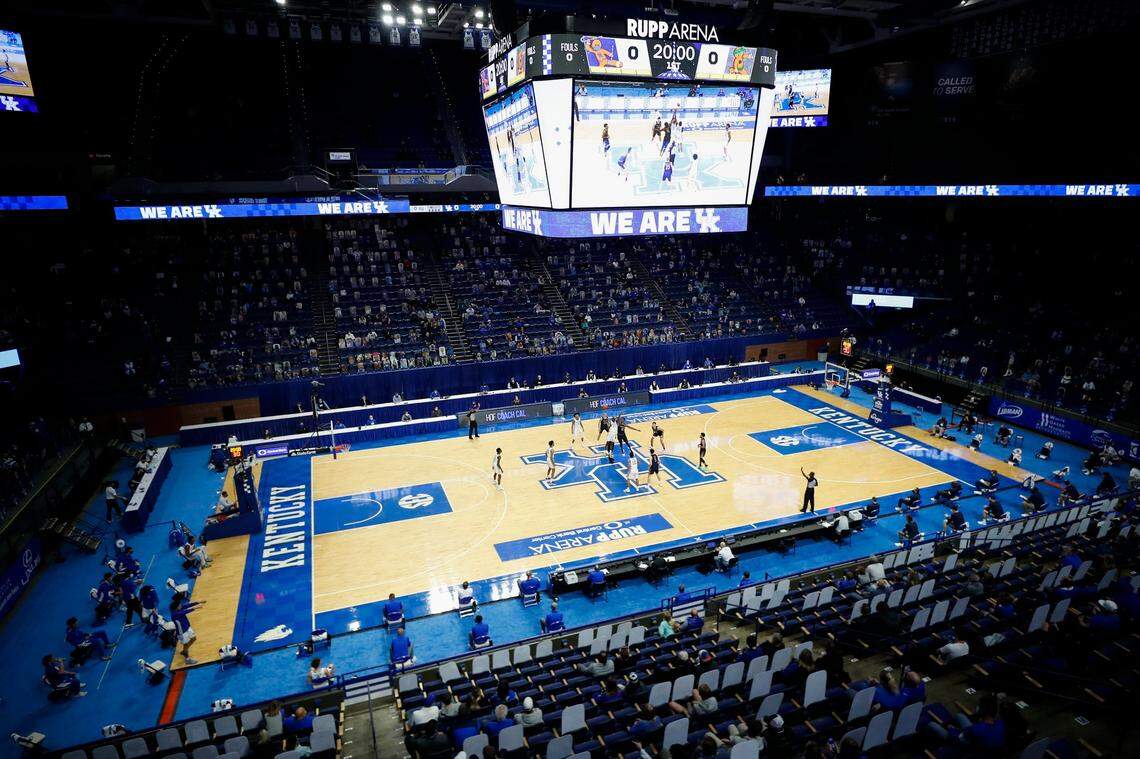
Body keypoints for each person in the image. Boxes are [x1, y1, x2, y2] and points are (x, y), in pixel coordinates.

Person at [171, 599, 205, 665]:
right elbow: (184, 612)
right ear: (176, 607)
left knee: (194, 638)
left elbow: (187, 605)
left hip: (187, 627)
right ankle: (187, 659)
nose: (181, 605)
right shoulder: (174, 614)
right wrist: (196, 607)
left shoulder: (178, 609)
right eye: (180, 605)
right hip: (182, 632)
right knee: (185, 645)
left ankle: (184, 651)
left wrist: (198, 601)